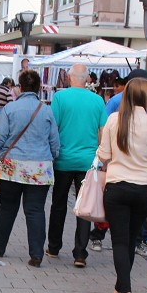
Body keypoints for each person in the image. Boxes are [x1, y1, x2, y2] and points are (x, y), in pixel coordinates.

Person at [97, 77, 147, 293]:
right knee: (132, 239)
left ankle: (125, 290)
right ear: (145, 97)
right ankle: (120, 287)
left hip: (117, 186)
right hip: (144, 188)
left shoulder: (114, 120)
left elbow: (103, 155)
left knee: (120, 241)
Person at [0, 70, 60, 267]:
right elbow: (55, 142)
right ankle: (36, 254)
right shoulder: (46, 111)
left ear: (19, 87)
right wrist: (50, 157)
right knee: (35, 211)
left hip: (12, 166)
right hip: (39, 169)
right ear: (37, 88)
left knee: (7, 209)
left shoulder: (11, 109)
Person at [47, 63, 107, 267]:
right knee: (85, 206)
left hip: (63, 159)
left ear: (70, 77)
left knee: (58, 204)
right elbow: (102, 132)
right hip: (88, 162)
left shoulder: (60, 98)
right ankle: (80, 253)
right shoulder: (98, 100)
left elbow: (53, 128)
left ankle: (54, 246)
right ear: (87, 78)